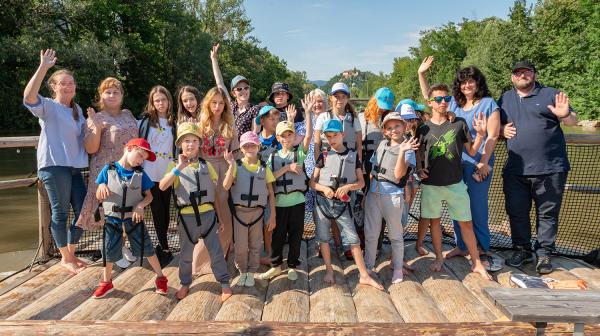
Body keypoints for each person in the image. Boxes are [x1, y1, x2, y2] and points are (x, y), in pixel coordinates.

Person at [418, 56, 503, 272]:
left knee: (476, 206)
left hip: (477, 161)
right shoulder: (454, 102)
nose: (467, 86)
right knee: (458, 208)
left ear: (478, 83)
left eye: (471, 81)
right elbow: (432, 98)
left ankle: (482, 249)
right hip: (456, 164)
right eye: (463, 82)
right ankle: (462, 246)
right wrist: (421, 74)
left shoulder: (488, 103)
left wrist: (484, 162)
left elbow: (492, 136)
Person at [498, 60, 577, 274]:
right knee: (517, 212)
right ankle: (522, 250)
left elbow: (572, 121)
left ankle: (544, 254)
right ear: (512, 77)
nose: (522, 75)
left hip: (551, 168)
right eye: (517, 72)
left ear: (534, 74)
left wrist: (565, 115)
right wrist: (501, 128)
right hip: (516, 170)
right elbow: (493, 125)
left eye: (526, 72)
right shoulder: (505, 98)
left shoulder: (551, 94)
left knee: (548, 214)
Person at [23, 49, 88, 274]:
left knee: (83, 210)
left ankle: (70, 253)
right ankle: (66, 258)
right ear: (54, 87)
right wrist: (43, 67)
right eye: (63, 83)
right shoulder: (48, 106)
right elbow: (29, 97)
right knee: (60, 213)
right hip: (54, 167)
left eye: (71, 83)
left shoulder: (78, 110)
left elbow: (87, 139)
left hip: (74, 168)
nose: (68, 86)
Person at [159, 122, 232, 301]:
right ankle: (185, 283)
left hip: (208, 216)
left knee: (216, 251)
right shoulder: (173, 167)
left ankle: (224, 283)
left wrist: (220, 218)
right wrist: (179, 168)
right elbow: (162, 186)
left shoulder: (207, 166)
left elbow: (214, 194)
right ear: (180, 145)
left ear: (199, 144)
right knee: (185, 255)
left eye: (193, 140)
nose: (190, 144)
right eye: (186, 141)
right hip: (187, 218)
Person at [310, 119, 383, 290]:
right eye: (328, 136)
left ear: (342, 134)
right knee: (323, 238)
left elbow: (361, 183)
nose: (332, 139)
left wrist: (349, 186)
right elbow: (311, 183)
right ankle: (329, 270)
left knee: (353, 239)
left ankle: (364, 275)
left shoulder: (353, 156)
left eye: (335, 135)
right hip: (323, 204)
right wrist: (323, 188)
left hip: (343, 206)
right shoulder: (324, 155)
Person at [92, 138, 168, 298]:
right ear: (129, 148)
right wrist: (101, 185)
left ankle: (161, 278)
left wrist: (140, 206)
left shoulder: (140, 174)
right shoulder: (108, 169)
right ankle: (106, 282)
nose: (141, 161)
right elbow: (98, 188)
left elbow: (149, 197)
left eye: (143, 159)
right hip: (112, 219)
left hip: (134, 219)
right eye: (140, 156)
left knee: (147, 249)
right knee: (109, 250)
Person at [258, 96, 314, 281]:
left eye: (290, 134)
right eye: (283, 135)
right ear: (278, 137)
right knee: (278, 236)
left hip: (297, 201)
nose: (287, 138)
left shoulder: (298, 153)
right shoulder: (272, 157)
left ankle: (292, 264)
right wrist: (287, 168)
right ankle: (275, 265)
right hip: (280, 203)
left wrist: (307, 113)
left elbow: (308, 137)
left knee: (296, 235)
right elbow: (269, 178)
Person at [78, 78, 138, 237]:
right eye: (108, 92)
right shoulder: (95, 117)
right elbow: (90, 149)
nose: (112, 95)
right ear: (101, 95)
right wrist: (97, 128)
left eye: (115, 92)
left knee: (126, 208)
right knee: (108, 212)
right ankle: (111, 250)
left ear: (122, 95)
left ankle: (123, 247)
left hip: (127, 170)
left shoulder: (128, 114)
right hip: (105, 172)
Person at [364, 112, 419, 284]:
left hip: (393, 196)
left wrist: (402, 152)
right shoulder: (381, 144)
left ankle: (397, 267)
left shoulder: (408, 148)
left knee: (396, 235)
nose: (393, 130)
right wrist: (366, 194)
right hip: (374, 194)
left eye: (397, 126)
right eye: (389, 127)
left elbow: (399, 174)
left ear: (404, 127)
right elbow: (373, 171)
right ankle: (368, 266)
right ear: (385, 131)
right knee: (371, 234)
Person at [192, 87, 239, 275]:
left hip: (225, 170)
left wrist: (234, 172)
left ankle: (220, 256)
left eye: (221, 103)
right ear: (208, 104)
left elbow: (236, 153)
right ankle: (201, 262)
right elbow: (194, 151)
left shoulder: (229, 126)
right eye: (214, 102)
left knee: (225, 214)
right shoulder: (200, 125)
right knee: (207, 215)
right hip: (206, 170)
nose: (218, 106)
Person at [223, 131, 276, 287]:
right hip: (240, 213)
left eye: (253, 145)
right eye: (246, 146)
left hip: (258, 213)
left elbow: (271, 193)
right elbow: (226, 186)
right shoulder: (236, 166)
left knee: (255, 245)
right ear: (241, 148)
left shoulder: (264, 168)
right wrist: (231, 165)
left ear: (258, 147)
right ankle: (242, 271)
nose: (250, 148)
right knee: (240, 247)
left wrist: (272, 215)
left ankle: (251, 272)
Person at [138, 85, 177, 267]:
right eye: (157, 100)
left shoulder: (174, 122)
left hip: (167, 172)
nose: (161, 103)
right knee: (156, 210)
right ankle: (162, 246)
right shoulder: (146, 121)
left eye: (163, 99)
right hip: (149, 172)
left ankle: (164, 246)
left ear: (169, 101)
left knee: (166, 210)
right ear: (152, 103)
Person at [210, 44, 260, 138]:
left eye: (246, 88)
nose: (243, 91)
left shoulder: (254, 110)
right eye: (239, 89)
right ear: (233, 93)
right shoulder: (230, 106)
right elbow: (220, 83)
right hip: (226, 149)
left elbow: (254, 134)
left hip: (244, 150)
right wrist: (214, 59)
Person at [314, 83, 363, 161]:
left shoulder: (354, 118)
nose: (340, 100)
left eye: (343, 96)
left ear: (347, 98)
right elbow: (316, 145)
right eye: (336, 97)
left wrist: (358, 165)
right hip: (328, 160)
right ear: (331, 98)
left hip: (349, 161)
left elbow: (359, 146)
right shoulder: (323, 117)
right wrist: (319, 163)